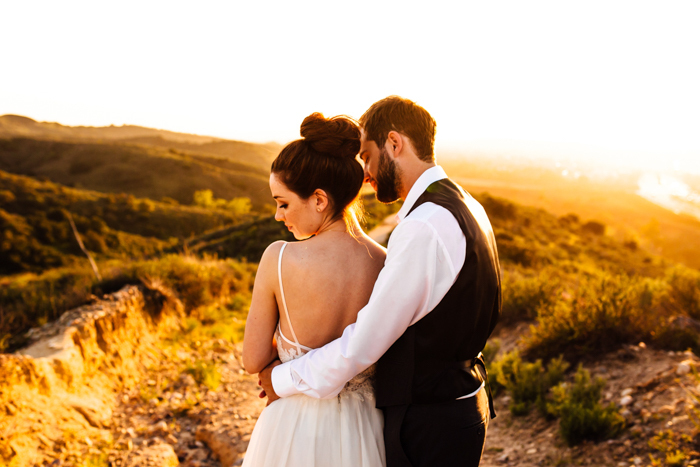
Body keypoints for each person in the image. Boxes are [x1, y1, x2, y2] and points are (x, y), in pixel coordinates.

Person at [260, 96, 502, 467]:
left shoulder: (423, 226)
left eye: (367, 156)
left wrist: (280, 380)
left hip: (429, 422)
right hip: (462, 404)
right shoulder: (469, 206)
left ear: (394, 143)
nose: (365, 173)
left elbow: (362, 344)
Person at [241, 113, 387, 466]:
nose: (278, 215)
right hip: (365, 429)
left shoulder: (278, 258)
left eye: (283, 203)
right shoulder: (386, 262)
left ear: (319, 199)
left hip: (294, 427)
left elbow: (252, 360)